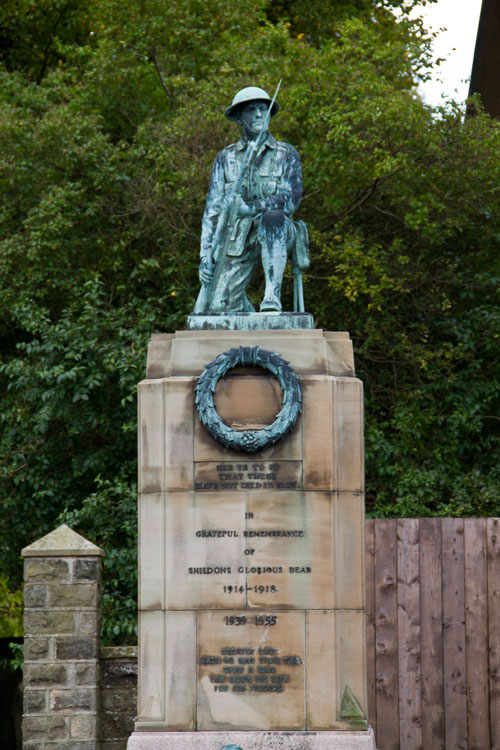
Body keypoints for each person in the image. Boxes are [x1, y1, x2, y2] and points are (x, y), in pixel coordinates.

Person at [198, 85, 307, 313]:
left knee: (272, 217)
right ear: (239, 117)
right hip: (237, 238)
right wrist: (206, 254)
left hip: (277, 231)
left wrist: (251, 208)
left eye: (263, 109)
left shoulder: (286, 153)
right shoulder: (225, 158)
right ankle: (250, 317)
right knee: (218, 308)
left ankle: (271, 296)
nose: (259, 114)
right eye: (252, 110)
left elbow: (290, 200)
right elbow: (213, 210)